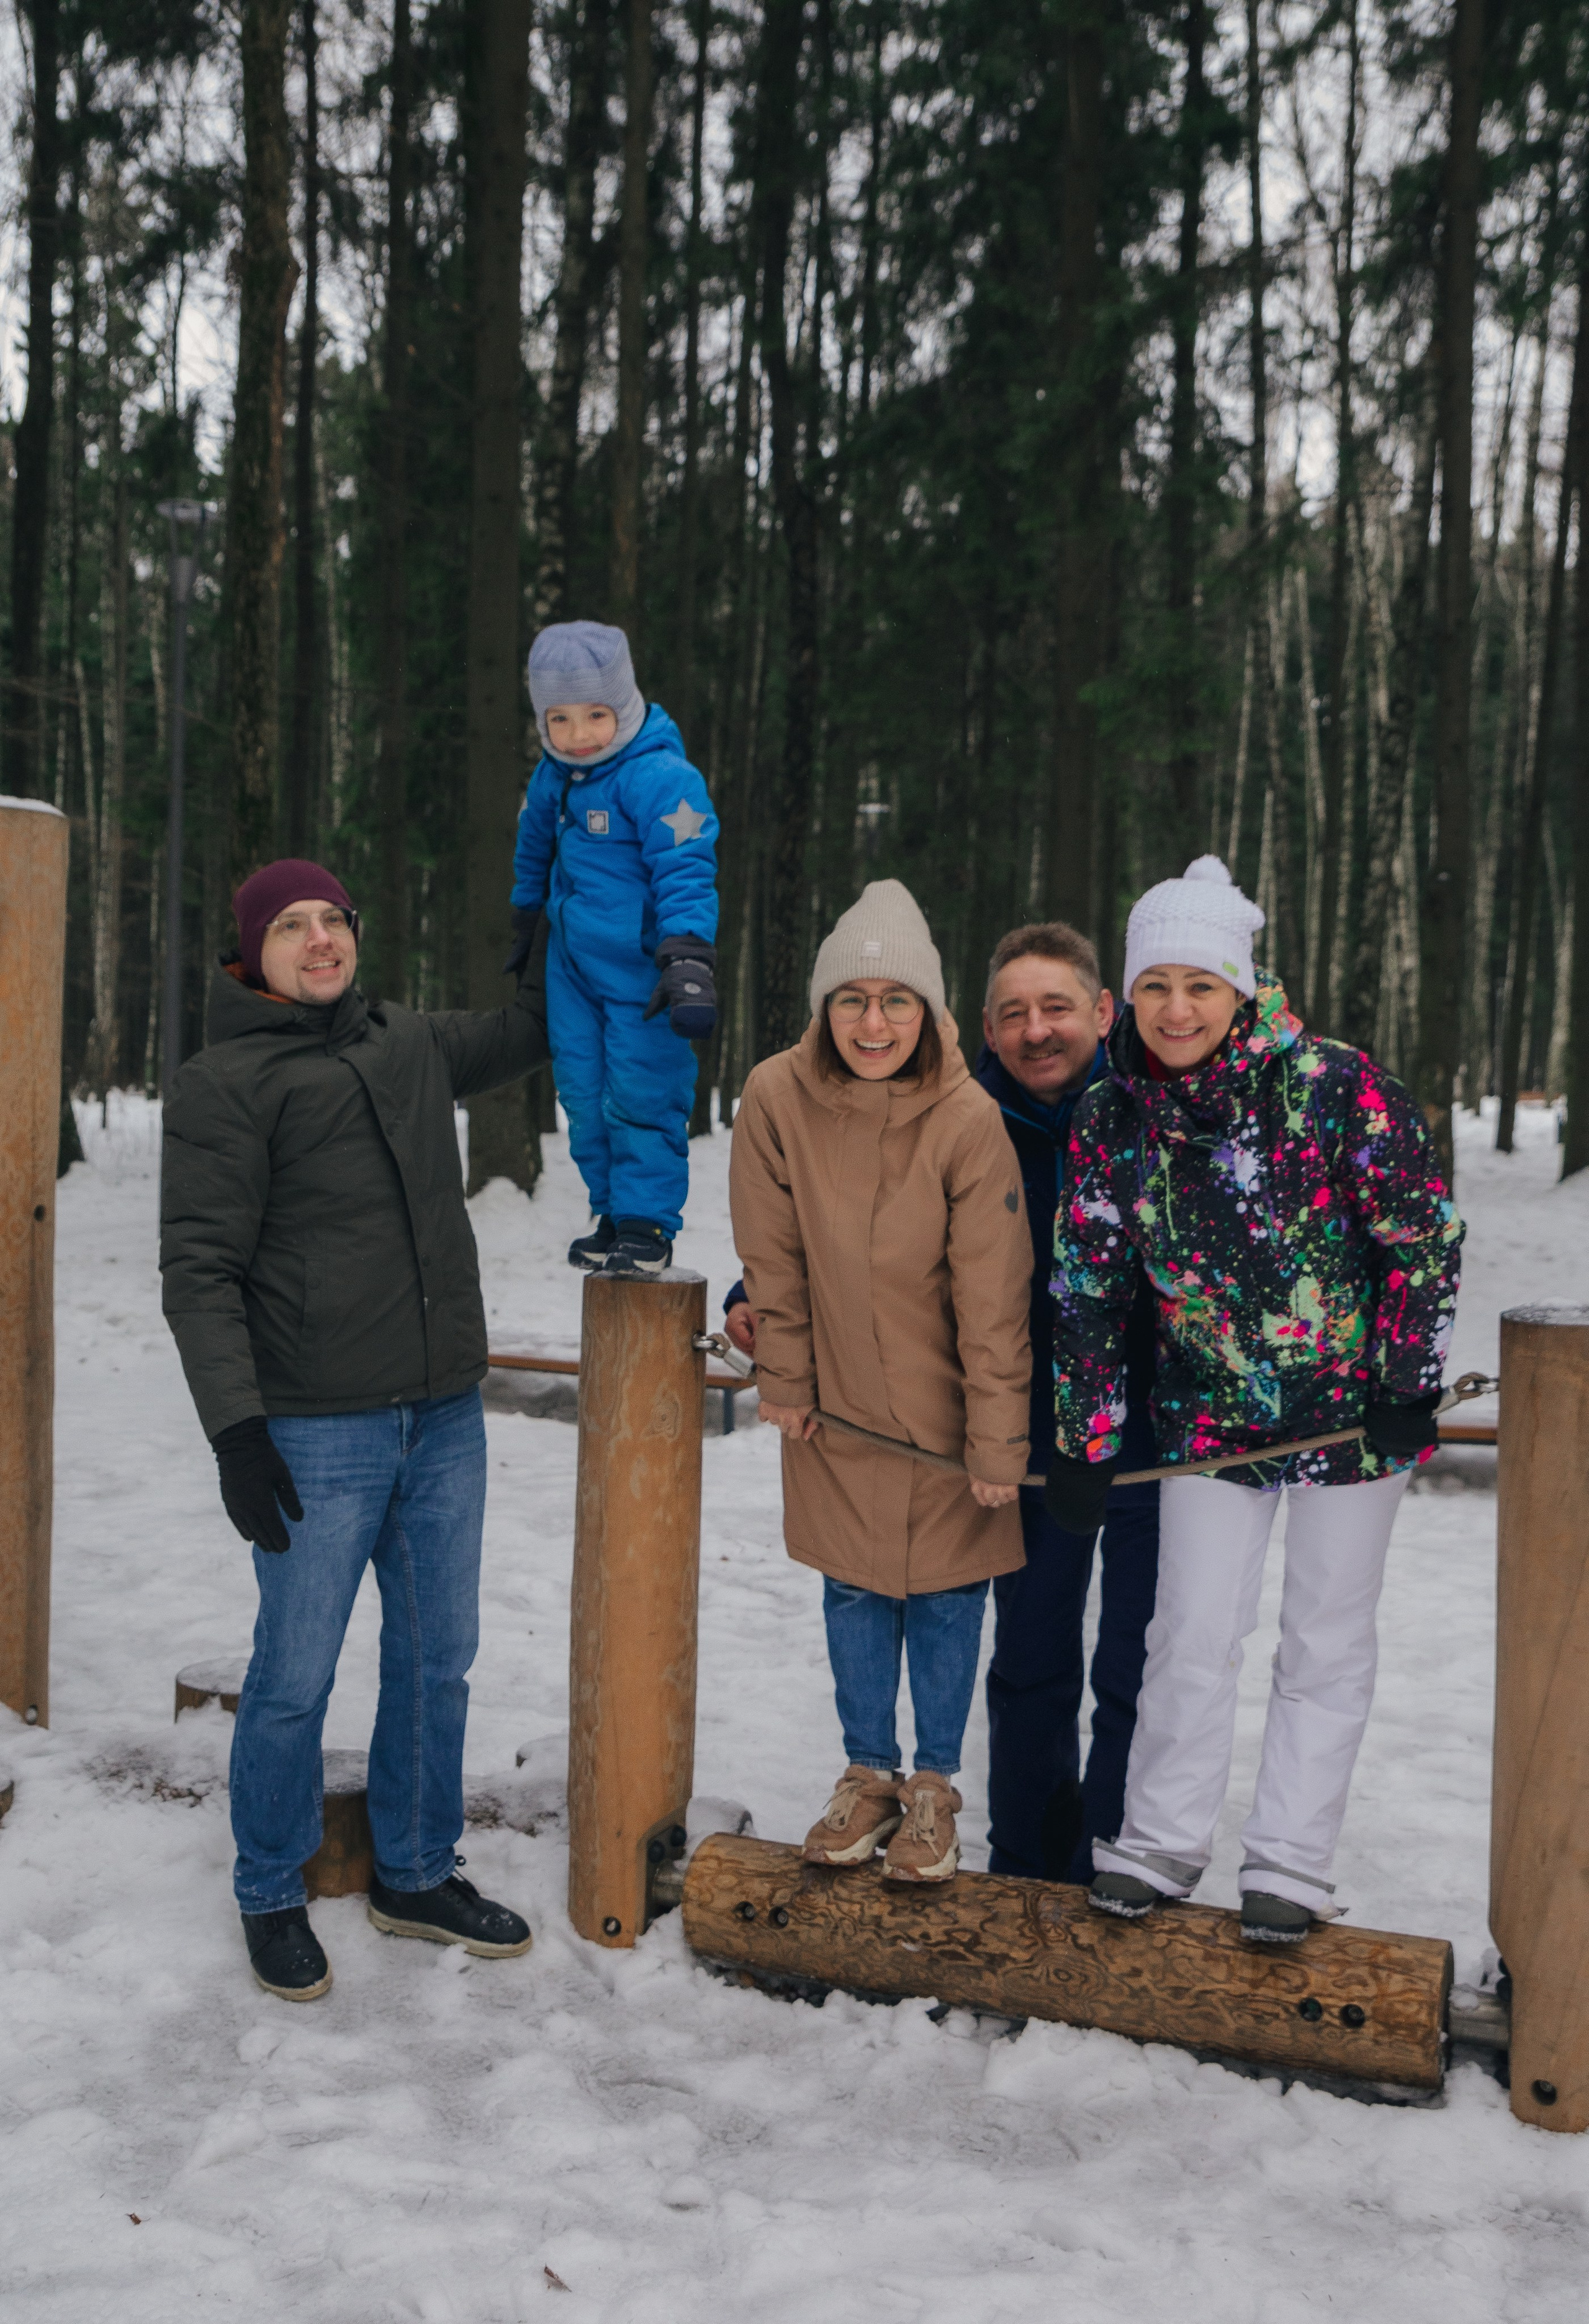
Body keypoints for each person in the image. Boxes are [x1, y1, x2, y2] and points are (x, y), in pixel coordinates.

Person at [1047, 857, 1462, 1944]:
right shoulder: (1110, 1113)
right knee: (1188, 1628)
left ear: (1240, 988)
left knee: (1324, 1635)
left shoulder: (1334, 1084)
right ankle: (1158, 1840)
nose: (1177, 1007)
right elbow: (1088, 1287)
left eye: (1200, 984)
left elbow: (1423, 1237)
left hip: (1348, 1416)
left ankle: (1289, 1858)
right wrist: (1085, 1437)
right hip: (1208, 1414)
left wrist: (1409, 1383)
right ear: (1128, 995)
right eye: (1156, 984)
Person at [160, 857, 549, 2002]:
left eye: (335, 916)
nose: (321, 937)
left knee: (438, 1657)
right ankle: (271, 1886)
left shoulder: (409, 1041)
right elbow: (200, 1271)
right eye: (293, 923)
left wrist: (545, 939)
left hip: (440, 1415)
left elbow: (528, 1031)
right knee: (294, 1670)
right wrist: (237, 1428)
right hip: (316, 1429)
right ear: (253, 952)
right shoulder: (223, 1081)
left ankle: (416, 1871)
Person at [728, 880, 1032, 1885]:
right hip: (836, 1402)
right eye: (851, 999)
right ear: (822, 1008)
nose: (873, 1021)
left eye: (895, 998)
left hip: (947, 1411)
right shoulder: (775, 1096)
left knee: (947, 1596)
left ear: (931, 1009)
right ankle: (867, 1771)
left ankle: (935, 1787)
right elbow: (771, 1253)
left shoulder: (966, 1114)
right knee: (854, 1585)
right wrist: (787, 1371)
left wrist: (997, 1439)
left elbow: (995, 1293)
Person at [974, 924, 1161, 1884]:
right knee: (1033, 1650)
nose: (1036, 1031)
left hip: (1163, 1436)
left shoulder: (1162, 1099)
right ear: (989, 1028)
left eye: (1056, 1009)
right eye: (1014, 1014)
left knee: (1139, 1657)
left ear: (1102, 1011)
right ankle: (1024, 1855)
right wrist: (758, 1297)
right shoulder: (955, 1114)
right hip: (1032, 1433)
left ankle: (1112, 1855)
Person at [508, 620, 719, 1277]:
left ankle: (648, 1221)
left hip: (641, 974)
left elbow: (686, 863)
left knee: (641, 1090)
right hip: (572, 967)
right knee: (582, 1091)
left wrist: (687, 956)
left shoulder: (659, 776)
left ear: (625, 704)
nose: (580, 736)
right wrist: (524, 916)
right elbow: (534, 846)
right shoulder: (554, 777)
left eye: (596, 714)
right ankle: (613, 1211)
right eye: (561, 719)